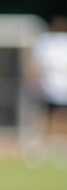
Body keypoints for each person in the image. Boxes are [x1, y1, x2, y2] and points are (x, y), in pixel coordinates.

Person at [26, 16, 67, 156]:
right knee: (51, 117)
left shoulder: (45, 42)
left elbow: (34, 65)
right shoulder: (46, 42)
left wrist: (34, 81)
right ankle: (50, 145)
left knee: (49, 118)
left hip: (50, 87)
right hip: (51, 87)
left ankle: (51, 144)